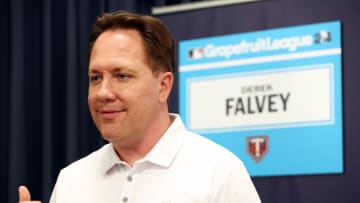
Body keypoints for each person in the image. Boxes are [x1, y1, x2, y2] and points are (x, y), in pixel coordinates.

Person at [18, 11, 261, 203]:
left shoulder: (219, 172)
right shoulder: (71, 179)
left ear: (163, 86)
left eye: (121, 76)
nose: (103, 92)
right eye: (95, 78)